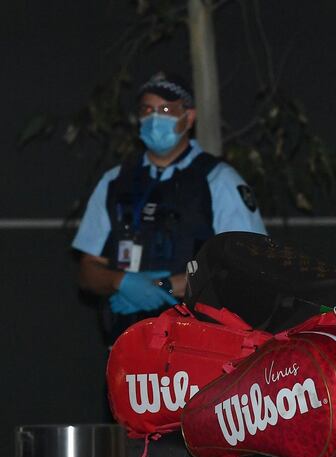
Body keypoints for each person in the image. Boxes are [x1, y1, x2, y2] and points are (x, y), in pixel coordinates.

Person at [72, 72, 267, 342]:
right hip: (127, 346)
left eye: (165, 109)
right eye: (147, 110)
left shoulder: (218, 179)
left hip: (199, 345)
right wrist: (121, 282)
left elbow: (246, 265)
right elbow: (87, 271)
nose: (155, 118)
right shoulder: (115, 181)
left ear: (188, 118)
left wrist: (163, 286)